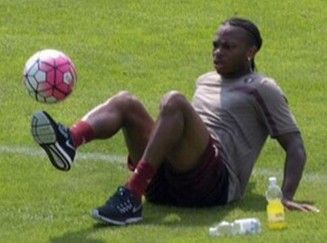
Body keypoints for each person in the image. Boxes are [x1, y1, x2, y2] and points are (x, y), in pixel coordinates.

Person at [30, 17, 319, 226]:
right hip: (167, 181)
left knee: (174, 101)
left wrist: (286, 195)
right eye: (215, 45)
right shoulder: (206, 80)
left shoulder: (262, 87)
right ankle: (70, 140)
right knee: (126, 101)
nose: (218, 52)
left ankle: (131, 196)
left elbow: (295, 145)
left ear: (251, 51)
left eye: (227, 47)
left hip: (214, 186)